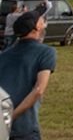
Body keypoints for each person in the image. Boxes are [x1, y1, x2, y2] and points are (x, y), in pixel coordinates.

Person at [0, 10, 55, 140]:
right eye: (41, 21)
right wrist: (11, 116)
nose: (44, 23)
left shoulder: (5, 54)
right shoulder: (46, 52)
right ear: (35, 28)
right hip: (24, 127)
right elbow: (38, 90)